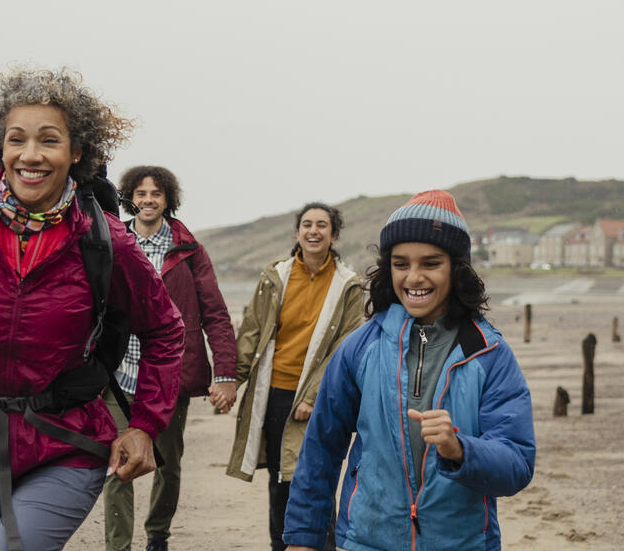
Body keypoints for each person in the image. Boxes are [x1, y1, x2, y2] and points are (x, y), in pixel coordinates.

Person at [0, 66, 186, 551]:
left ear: (76, 152)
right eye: (16, 139)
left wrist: (145, 425)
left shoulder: (106, 242)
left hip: (68, 441)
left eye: (49, 140)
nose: (31, 155)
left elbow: (166, 331)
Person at [283, 190, 536, 551]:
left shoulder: (489, 353)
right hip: (367, 540)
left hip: (462, 543)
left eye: (430, 263)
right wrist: (303, 539)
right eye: (401, 264)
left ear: (456, 268)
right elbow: (321, 449)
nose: (414, 277)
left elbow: (517, 464)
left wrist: (459, 448)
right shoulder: (360, 347)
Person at [100, 165, 237, 551]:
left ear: (167, 200)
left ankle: (157, 534)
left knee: (168, 464)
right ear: (130, 197)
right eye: (140, 193)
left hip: (168, 376)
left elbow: (215, 314)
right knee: (117, 464)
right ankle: (119, 546)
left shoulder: (190, 251)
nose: (147, 200)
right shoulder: (113, 240)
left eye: (155, 194)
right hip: (118, 374)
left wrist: (226, 372)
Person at [225, 202, 370, 551]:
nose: (313, 231)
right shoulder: (276, 276)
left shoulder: (349, 285)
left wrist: (314, 395)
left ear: (334, 235)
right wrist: (231, 379)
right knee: (280, 482)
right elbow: (252, 332)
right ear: (297, 233)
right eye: (307, 224)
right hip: (275, 394)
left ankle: (327, 546)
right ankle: (282, 546)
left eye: (322, 225)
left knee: (317, 478)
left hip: (322, 400)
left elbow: (345, 346)